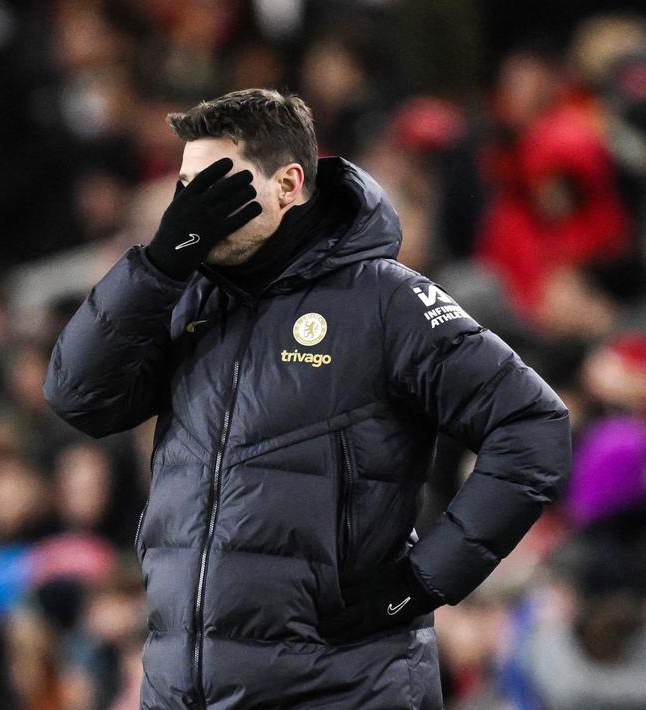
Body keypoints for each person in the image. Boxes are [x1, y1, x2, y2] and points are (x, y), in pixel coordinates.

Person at [43, 88, 571, 709]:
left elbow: (532, 424)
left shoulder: (386, 301)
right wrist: (159, 263)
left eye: (215, 184)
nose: (194, 209)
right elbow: (79, 396)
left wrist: (424, 580)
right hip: (183, 690)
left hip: (341, 687)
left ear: (289, 183)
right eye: (185, 188)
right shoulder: (185, 298)